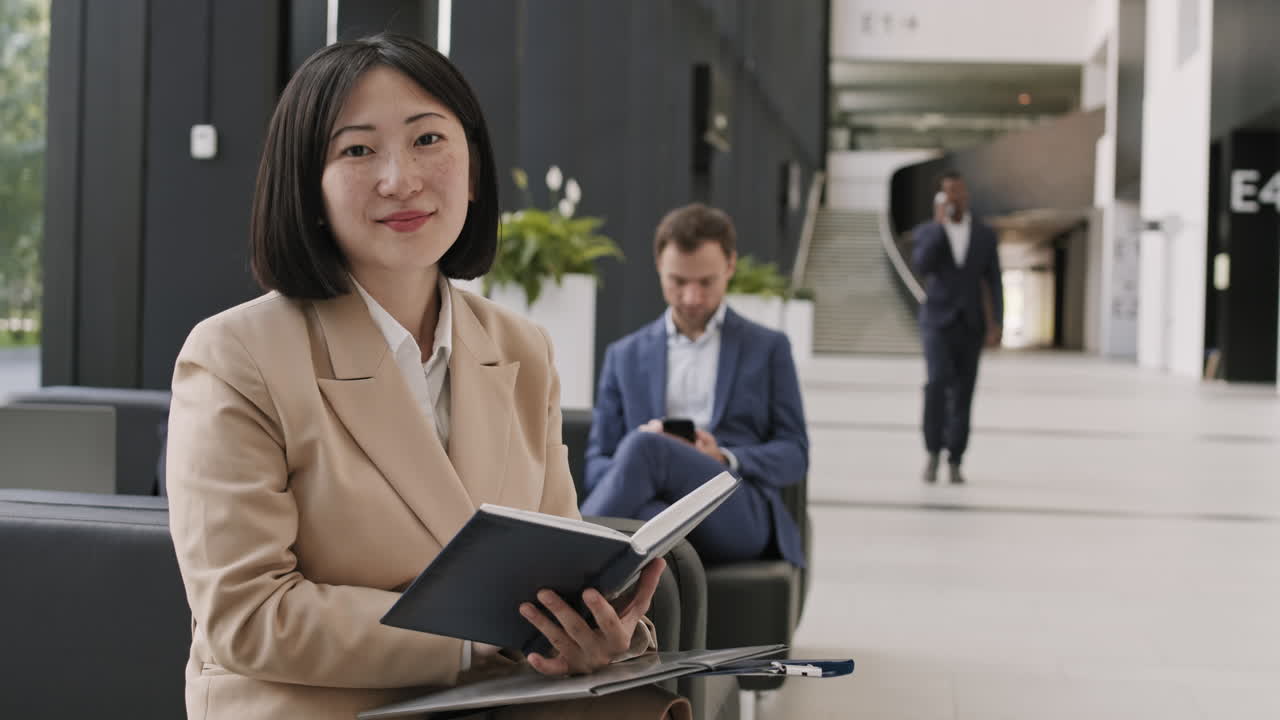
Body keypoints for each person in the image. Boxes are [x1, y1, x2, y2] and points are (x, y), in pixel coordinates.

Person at [165, 34, 685, 720]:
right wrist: (477, 641)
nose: (400, 179)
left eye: (428, 140)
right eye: (358, 150)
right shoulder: (236, 356)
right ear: (308, 187)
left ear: (472, 171)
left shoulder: (522, 349)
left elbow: (555, 567)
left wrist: (592, 631)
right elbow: (247, 614)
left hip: (494, 699)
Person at [580, 203, 807, 569]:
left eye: (706, 282)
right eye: (679, 282)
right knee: (650, 510)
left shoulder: (768, 349)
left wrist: (723, 457)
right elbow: (595, 467)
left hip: (734, 507)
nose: (692, 298)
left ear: (730, 266)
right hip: (655, 510)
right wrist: (632, 461)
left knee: (646, 448)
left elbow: (795, 453)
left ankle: (568, 558)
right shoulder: (624, 356)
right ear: (659, 266)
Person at [912, 171, 1003, 485]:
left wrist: (997, 323)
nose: (953, 198)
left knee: (964, 392)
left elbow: (994, 280)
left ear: (966, 195)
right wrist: (939, 227)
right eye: (947, 193)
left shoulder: (984, 234)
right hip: (937, 322)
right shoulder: (928, 231)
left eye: (957, 192)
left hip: (971, 323)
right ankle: (932, 452)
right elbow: (922, 265)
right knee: (937, 383)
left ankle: (956, 458)